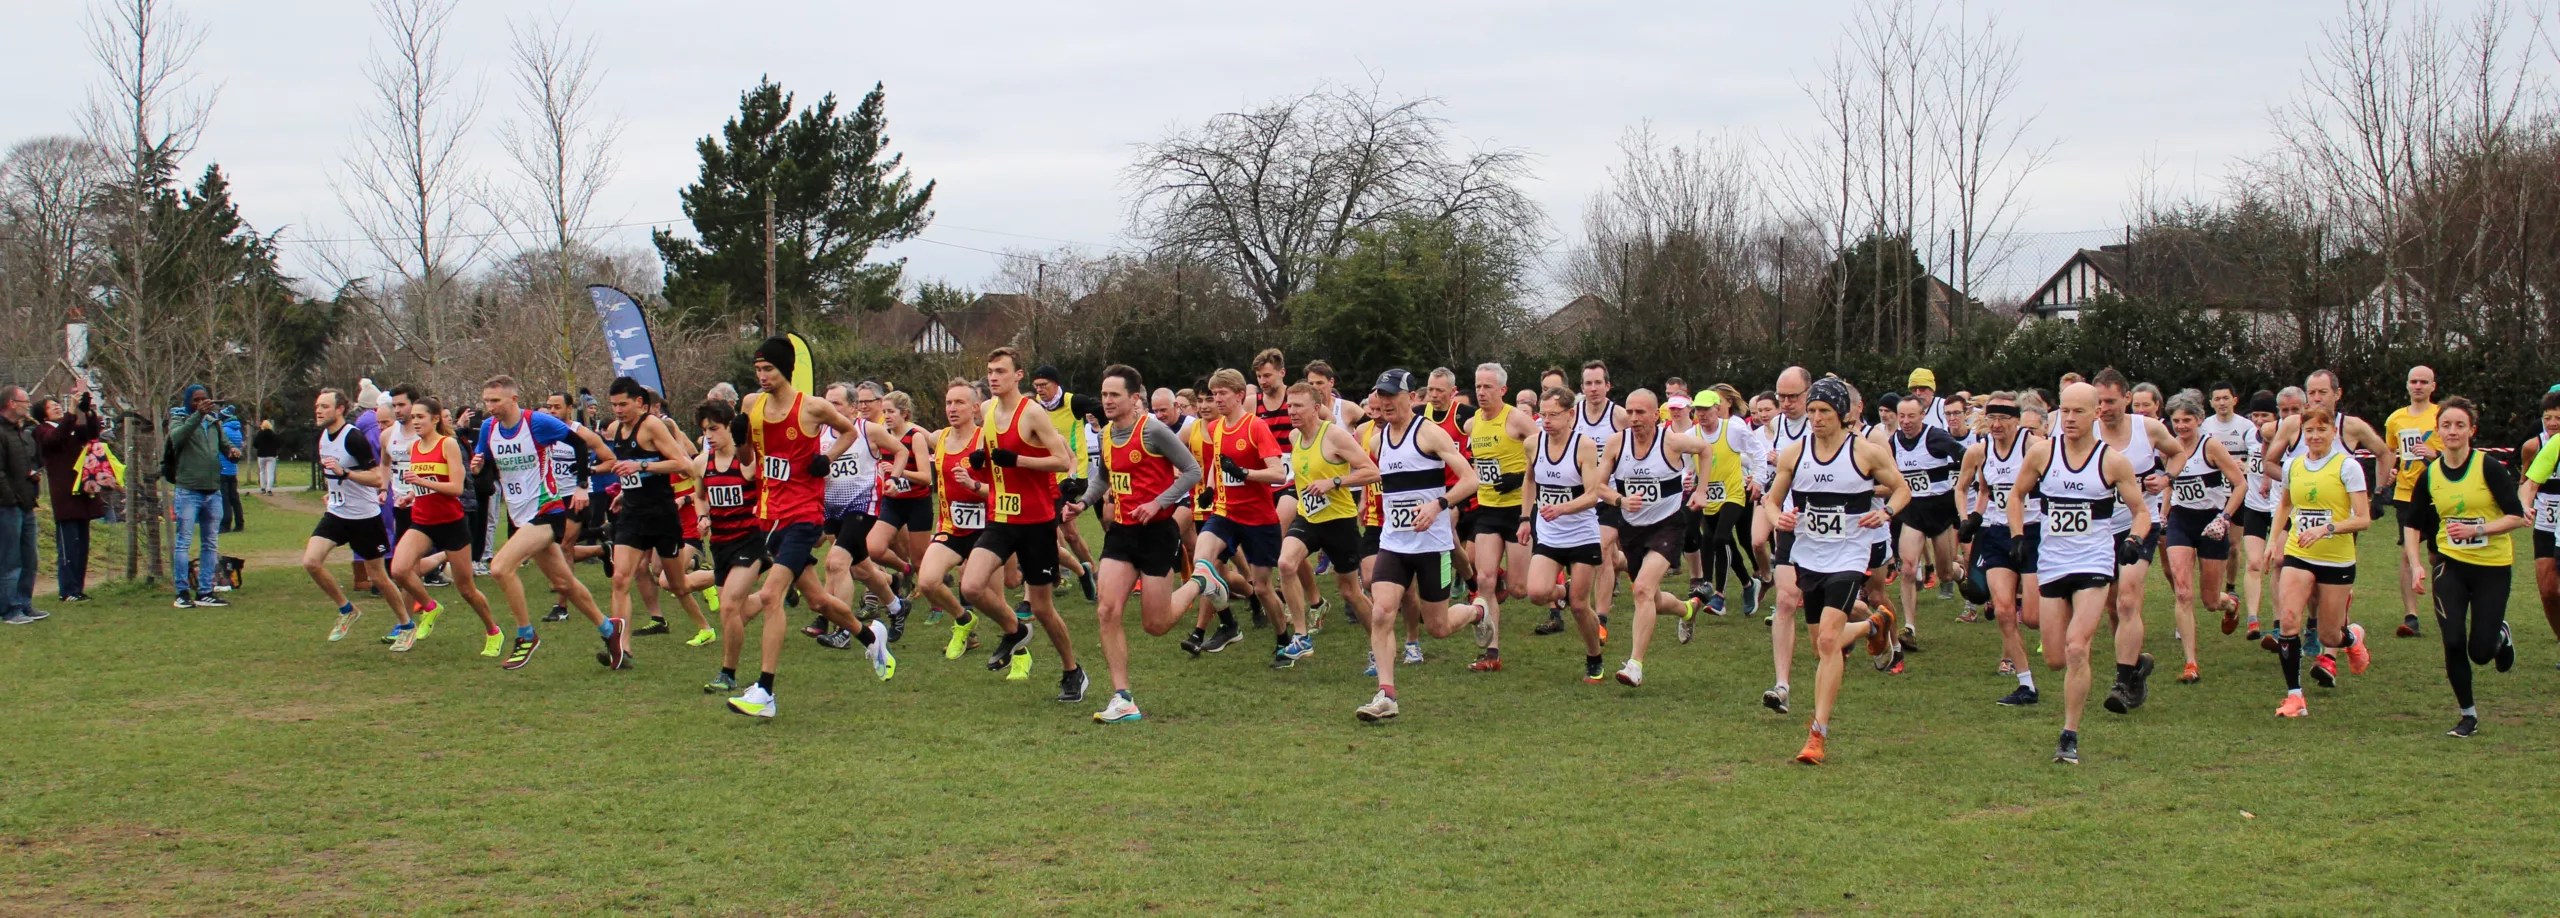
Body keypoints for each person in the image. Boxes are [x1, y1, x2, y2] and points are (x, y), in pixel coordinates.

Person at [726, 341, 888, 718]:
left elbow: (849, 431)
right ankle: (870, 635)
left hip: (804, 515)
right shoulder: (753, 405)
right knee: (816, 600)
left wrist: (825, 459)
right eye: (758, 370)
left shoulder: (812, 407)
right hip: (770, 516)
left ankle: (765, 692)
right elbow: (748, 463)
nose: (763, 377)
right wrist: (739, 440)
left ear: (786, 369)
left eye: (769, 369)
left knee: (770, 596)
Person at [1765, 377, 1909, 764]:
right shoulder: (1795, 453)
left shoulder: (1865, 452)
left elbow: (1901, 488)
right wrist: (1779, 518)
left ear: (1843, 415)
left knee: (1829, 642)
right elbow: (1770, 499)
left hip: (1849, 555)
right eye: (1811, 411)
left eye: (1824, 411)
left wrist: (1887, 512)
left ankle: (1817, 733)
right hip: (1809, 557)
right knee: (1820, 645)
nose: (1816, 418)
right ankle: (1874, 625)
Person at [2010, 382, 2152, 765]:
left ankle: (2069, 734)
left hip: (2094, 561)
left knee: (2077, 647)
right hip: (2053, 562)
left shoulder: (2112, 461)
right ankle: (2132, 669)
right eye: (2066, 411)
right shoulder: (2042, 454)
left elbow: (2142, 511)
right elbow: (2016, 494)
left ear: (2096, 414)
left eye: (2079, 412)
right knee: (2055, 656)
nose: (2070, 419)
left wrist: (2135, 541)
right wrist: (2019, 534)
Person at [1068, 364, 1204, 722]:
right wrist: (1082, 503)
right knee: (1106, 609)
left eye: (1114, 395)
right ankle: (1122, 697)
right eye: (1104, 395)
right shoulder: (1106, 434)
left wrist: (1159, 502)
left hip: (1158, 533)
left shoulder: (1153, 430)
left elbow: (1193, 471)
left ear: (1133, 398)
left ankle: (1202, 582)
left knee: (1155, 625)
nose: (1107, 401)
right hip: (1123, 533)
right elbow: (1102, 479)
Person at [1354, 369, 1486, 723]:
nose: (1385, 402)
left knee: (1438, 628)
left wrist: (1438, 505)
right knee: (1382, 612)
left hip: (1432, 545)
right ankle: (1386, 694)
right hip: (1394, 543)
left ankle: (1478, 612)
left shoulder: (1429, 433)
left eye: (1392, 395)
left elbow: (1471, 479)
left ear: (1413, 397)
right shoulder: (1378, 441)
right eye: (1380, 395)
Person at [956, 347, 1086, 702]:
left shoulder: (1033, 414)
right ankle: (1014, 630)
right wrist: (980, 461)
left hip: (1036, 522)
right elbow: (992, 461)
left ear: (1018, 375)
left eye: (1000, 371)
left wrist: (1018, 460)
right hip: (1001, 517)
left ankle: (1072, 671)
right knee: (970, 587)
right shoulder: (986, 410)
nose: (993, 377)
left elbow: (1062, 461)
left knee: (1043, 608)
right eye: (989, 370)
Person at [473, 375, 622, 671]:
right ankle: (609, 630)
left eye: (495, 401)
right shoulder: (488, 428)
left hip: (548, 510)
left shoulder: (537, 423)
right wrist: (478, 468)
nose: (489, 407)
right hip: (520, 514)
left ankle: (525, 635)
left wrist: (581, 485)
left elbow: (579, 444)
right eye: (486, 401)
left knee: (500, 567)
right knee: (563, 581)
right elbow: (487, 467)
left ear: (513, 399)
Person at [2401, 396, 2522, 738]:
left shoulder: (2489, 468)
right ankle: (2467, 715)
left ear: (2472, 430)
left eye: (2459, 425)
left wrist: (2477, 529)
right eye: (2446, 425)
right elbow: (2412, 523)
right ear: (2437, 431)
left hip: (2492, 568)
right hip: (2450, 566)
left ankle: (2500, 635)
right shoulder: (2431, 475)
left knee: (2480, 652)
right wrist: (2416, 564)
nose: (2452, 431)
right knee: (2452, 640)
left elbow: (2517, 517)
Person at [1168, 368, 1291, 658]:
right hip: (1225, 512)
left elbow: (1279, 473)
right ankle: (1227, 622)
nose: (1217, 399)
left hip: (1259, 519)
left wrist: (1245, 473)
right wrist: (1211, 486)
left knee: (1261, 588)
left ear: (1239, 395)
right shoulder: (1215, 428)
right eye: (1214, 394)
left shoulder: (1255, 427)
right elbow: (1218, 463)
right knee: (1203, 562)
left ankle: (1284, 639)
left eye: (1222, 393)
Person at [2264, 405, 2375, 718]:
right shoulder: (2294, 466)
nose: (2314, 436)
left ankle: (2352, 637)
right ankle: (2294, 697)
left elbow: (2363, 519)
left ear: (2333, 432)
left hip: (2337, 560)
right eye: (2309, 430)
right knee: (2288, 619)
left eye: (2321, 430)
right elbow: (2285, 505)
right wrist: (2274, 541)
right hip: (2300, 554)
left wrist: (2328, 528)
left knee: (2329, 635)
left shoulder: (2347, 467)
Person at [1595, 389, 1711, 686]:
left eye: (1641, 413)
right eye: (1630, 412)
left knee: (1642, 590)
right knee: (1653, 599)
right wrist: (1620, 500)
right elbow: (1598, 486)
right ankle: (1688, 608)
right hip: (1632, 529)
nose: (1634, 419)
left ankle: (1634, 664)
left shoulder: (1670, 441)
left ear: (1655, 414)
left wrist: (1701, 490)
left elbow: (1704, 449)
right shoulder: (1616, 443)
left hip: (1668, 525)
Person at [599, 377, 710, 671]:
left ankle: (706, 622)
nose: (618, 410)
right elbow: (631, 471)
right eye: (613, 405)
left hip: (662, 516)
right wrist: (625, 490)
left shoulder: (652, 426)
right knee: (621, 578)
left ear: (639, 402)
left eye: (623, 404)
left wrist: (643, 465)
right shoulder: (615, 430)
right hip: (633, 515)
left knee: (677, 585)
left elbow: (685, 465)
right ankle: (621, 650)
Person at [386, 396, 503, 657]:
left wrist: (423, 483)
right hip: (422, 522)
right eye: (413, 417)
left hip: (451, 524)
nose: (415, 422)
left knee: (466, 589)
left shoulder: (447, 444)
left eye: (420, 417)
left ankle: (493, 631)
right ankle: (430, 606)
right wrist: (412, 495)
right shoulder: (414, 448)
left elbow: (456, 489)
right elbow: (424, 484)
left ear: (435, 418)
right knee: (399, 569)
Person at [1275, 380, 1376, 669]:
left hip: (1339, 521)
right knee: (1285, 563)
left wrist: (1334, 481)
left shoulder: (1334, 437)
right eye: (1289, 405)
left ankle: (1377, 647)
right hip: (1309, 517)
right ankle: (1302, 635)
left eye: (1298, 406)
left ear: (1316, 408)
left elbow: (1371, 472)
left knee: (1350, 591)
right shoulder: (1295, 437)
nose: (1291, 411)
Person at [301, 389, 408, 647]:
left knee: (379, 578)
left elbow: (377, 478)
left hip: (364, 517)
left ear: (340, 409)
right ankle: (347, 609)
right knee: (311, 562)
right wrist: (331, 492)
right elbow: (332, 473)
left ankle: (406, 624)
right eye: (317, 405)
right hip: (337, 513)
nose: (318, 410)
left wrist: (346, 474)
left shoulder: (354, 437)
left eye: (325, 406)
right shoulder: (324, 437)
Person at [1519, 386, 1611, 682]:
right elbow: (1530, 481)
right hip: (1549, 534)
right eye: (1542, 415)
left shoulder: (1582, 446)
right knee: (1535, 593)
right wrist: (1524, 517)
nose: (1546, 420)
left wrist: (1563, 509)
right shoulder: (1533, 444)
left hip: (1582, 533)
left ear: (1570, 415)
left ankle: (1594, 657)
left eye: (1553, 415)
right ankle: (1568, 590)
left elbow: (1593, 494)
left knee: (1580, 607)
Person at [2158, 391, 2249, 683]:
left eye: (2187, 420)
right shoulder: (2168, 449)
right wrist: (2164, 510)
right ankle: (2191, 663)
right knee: (2183, 591)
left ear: (2199, 420)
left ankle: (2230, 604)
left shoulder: (2211, 447)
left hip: (2212, 521)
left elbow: (2240, 485)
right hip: (2181, 522)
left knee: (2210, 601)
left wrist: (2224, 518)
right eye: (2176, 421)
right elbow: (2170, 482)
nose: (2182, 426)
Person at [1958, 393, 2040, 703]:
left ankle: (2066, 604)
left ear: (2016, 421)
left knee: (2032, 618)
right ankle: (2026, 683)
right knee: (2004, 610)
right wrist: (1970, 518)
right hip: (1996, 532)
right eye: (1991, 419)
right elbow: (1968, 488)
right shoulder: (1980, 451)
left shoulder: (2033, 447)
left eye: (2003, 419)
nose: (1996, 425)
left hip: (2032, 531)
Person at [1461, 362, 1535, 672]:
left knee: (1520, 589)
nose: (1481, 392)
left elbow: (1546, 454)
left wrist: (1519, 478)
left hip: (1518, 512)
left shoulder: (1518, 420)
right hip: (1488, 511)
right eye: (1478, 386)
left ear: (1502, 390)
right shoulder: (1472, 423)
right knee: (1486, 580)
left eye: (1487, 386)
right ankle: (1492, 653)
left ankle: (1563, 591)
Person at [693, 400, 768, 696]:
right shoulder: (702, 462)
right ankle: (772, 593)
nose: (709, 435)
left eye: (715, 428)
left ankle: (728, 673)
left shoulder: (746, 459)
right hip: (720, 544)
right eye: (704, 430)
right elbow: (700, 496)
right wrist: (702, 516)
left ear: (728, 427)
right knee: (734, 612)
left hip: (750, 540)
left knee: (728, 606)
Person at [1754, 366, 1815, 713]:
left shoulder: (1823, 422)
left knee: (1832, 615)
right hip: (1791, 524)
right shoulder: (1772, 428)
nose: (1787, 403)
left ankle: (1876, 624)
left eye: (1794, 396)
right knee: (1787, 602)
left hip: (1829, 532)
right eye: (1782, 397)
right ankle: (1781, 686)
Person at [1887, 393, 1967, 649]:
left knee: (1944, 572)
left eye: (1912, 416)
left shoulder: (1936, 437)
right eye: (1902, 416)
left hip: (1940, 511)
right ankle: (1909, 627)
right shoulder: (1893, 442)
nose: (1906, 421)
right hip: (1912, 511)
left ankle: (1960, 572)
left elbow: (1966, 456)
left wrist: (1960, 483)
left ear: (1922, 415)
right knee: (1908, 569)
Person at [2383, 366, 2444, 639]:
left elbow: (2458, 453)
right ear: (2407, 385)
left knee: (2437, 556)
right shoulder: (2395, 419)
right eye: (2413, 381)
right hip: (2406, 494)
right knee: (2408, 554)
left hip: (2439, 493)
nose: (2418, 386)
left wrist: (2432, 453)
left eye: (2423, 382)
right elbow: (2390, 452)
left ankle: (2445, 608)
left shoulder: (2443, 415)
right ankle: (2411, 617)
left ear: (2433, 386)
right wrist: (2389, 474)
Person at [166, 384, 237, 608]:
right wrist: (197, 415)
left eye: (204, 399)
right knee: (183, 542)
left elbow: (225, 446)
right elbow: (176, 439)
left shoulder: (213, 422)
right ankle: (182, 592)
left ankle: (205, 590)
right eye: (196, 400)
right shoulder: (180, 419)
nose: (200, 403)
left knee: (210, 543)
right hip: (188, 490)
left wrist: (233, 453)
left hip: (212, 490)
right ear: (188, 402)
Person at [34, 394, 104, 603]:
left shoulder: (70, 428)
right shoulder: (42, 431)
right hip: (64, 495)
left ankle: (77, 588)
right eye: (51, 406)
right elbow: (56, 439)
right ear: (41, 413)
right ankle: (67, 589)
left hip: (81, 492)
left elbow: (92, 433)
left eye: (57, 404)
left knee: (82, 544)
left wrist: (88, 411)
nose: (56, 407)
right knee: (68, 545)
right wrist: (71, 412)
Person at [0, 387, 44, 625]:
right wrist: (11, 498)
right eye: (24, 401)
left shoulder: (19, 433)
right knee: (10, 559)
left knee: (29, 557)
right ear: (10, 403)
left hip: (26, 503)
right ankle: (9, 609)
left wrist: (31, 477)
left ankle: (24, 603)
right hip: (8, 506)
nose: (29, 405)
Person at [2521, 390, 2560, 651]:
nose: (2553, 423)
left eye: (2558, 417)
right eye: (2548, 418)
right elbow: (2528, 481)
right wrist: (2524, 504)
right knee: (2548, 591)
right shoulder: (2538, 446)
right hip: (2548, 520)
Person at [218, 406, 246, 533]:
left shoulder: (223, 430)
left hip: (223, 468)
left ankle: (226, 523)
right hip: (233, 469)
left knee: (225, 498)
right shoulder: (238, 431)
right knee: (234, 497)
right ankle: (240, 523)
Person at [253, 419, 282, 495]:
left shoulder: (260, 434)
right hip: (271, 456)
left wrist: (260, 447)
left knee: (262, 471)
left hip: (261, 455)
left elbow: (255, 444)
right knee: (270, 473)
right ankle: (269, 489)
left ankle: (263, 488)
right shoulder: (273, 434)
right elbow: (279, 444)